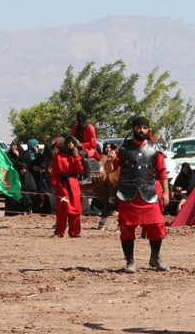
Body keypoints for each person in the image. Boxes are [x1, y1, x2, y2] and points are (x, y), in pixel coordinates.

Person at [112, 116, 170, 273]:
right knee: (127, 230)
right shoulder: (122, 149)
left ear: (148, 130)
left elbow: (162, 172)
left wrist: (165, 192)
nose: (141, 130)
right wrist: (109, 159)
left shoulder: (155, 148)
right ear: (133, 129)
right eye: (139, 127)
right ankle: (130, 262)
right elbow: (109, 169)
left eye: (144, 127)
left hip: (149, 194)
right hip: (127, 195)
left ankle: (155, 258)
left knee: (157, 227)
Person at [50, 135, 84, 238]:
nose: (70, 144)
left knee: (75, 208)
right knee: (62, 209)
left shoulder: (76, 156)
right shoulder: (58, 156)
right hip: (61, 184)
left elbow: (79, 170)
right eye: (68, 142)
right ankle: (59, 232)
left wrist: (76, 157)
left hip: (73, 183)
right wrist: (54, 186)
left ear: (74, 144)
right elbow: (54, 172)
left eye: (72, 142)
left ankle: (75, 231)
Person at [70, 110, 100, 178]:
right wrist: (73, 140)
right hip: (78, 148)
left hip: (89, 149)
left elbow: (93, 143)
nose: (76, 119)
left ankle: (87, 176)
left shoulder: (90, 128)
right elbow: (71, 136)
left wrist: (81, 145)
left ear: (80, 118)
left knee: (80, 154)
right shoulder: (75, 127)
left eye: (77, 118)